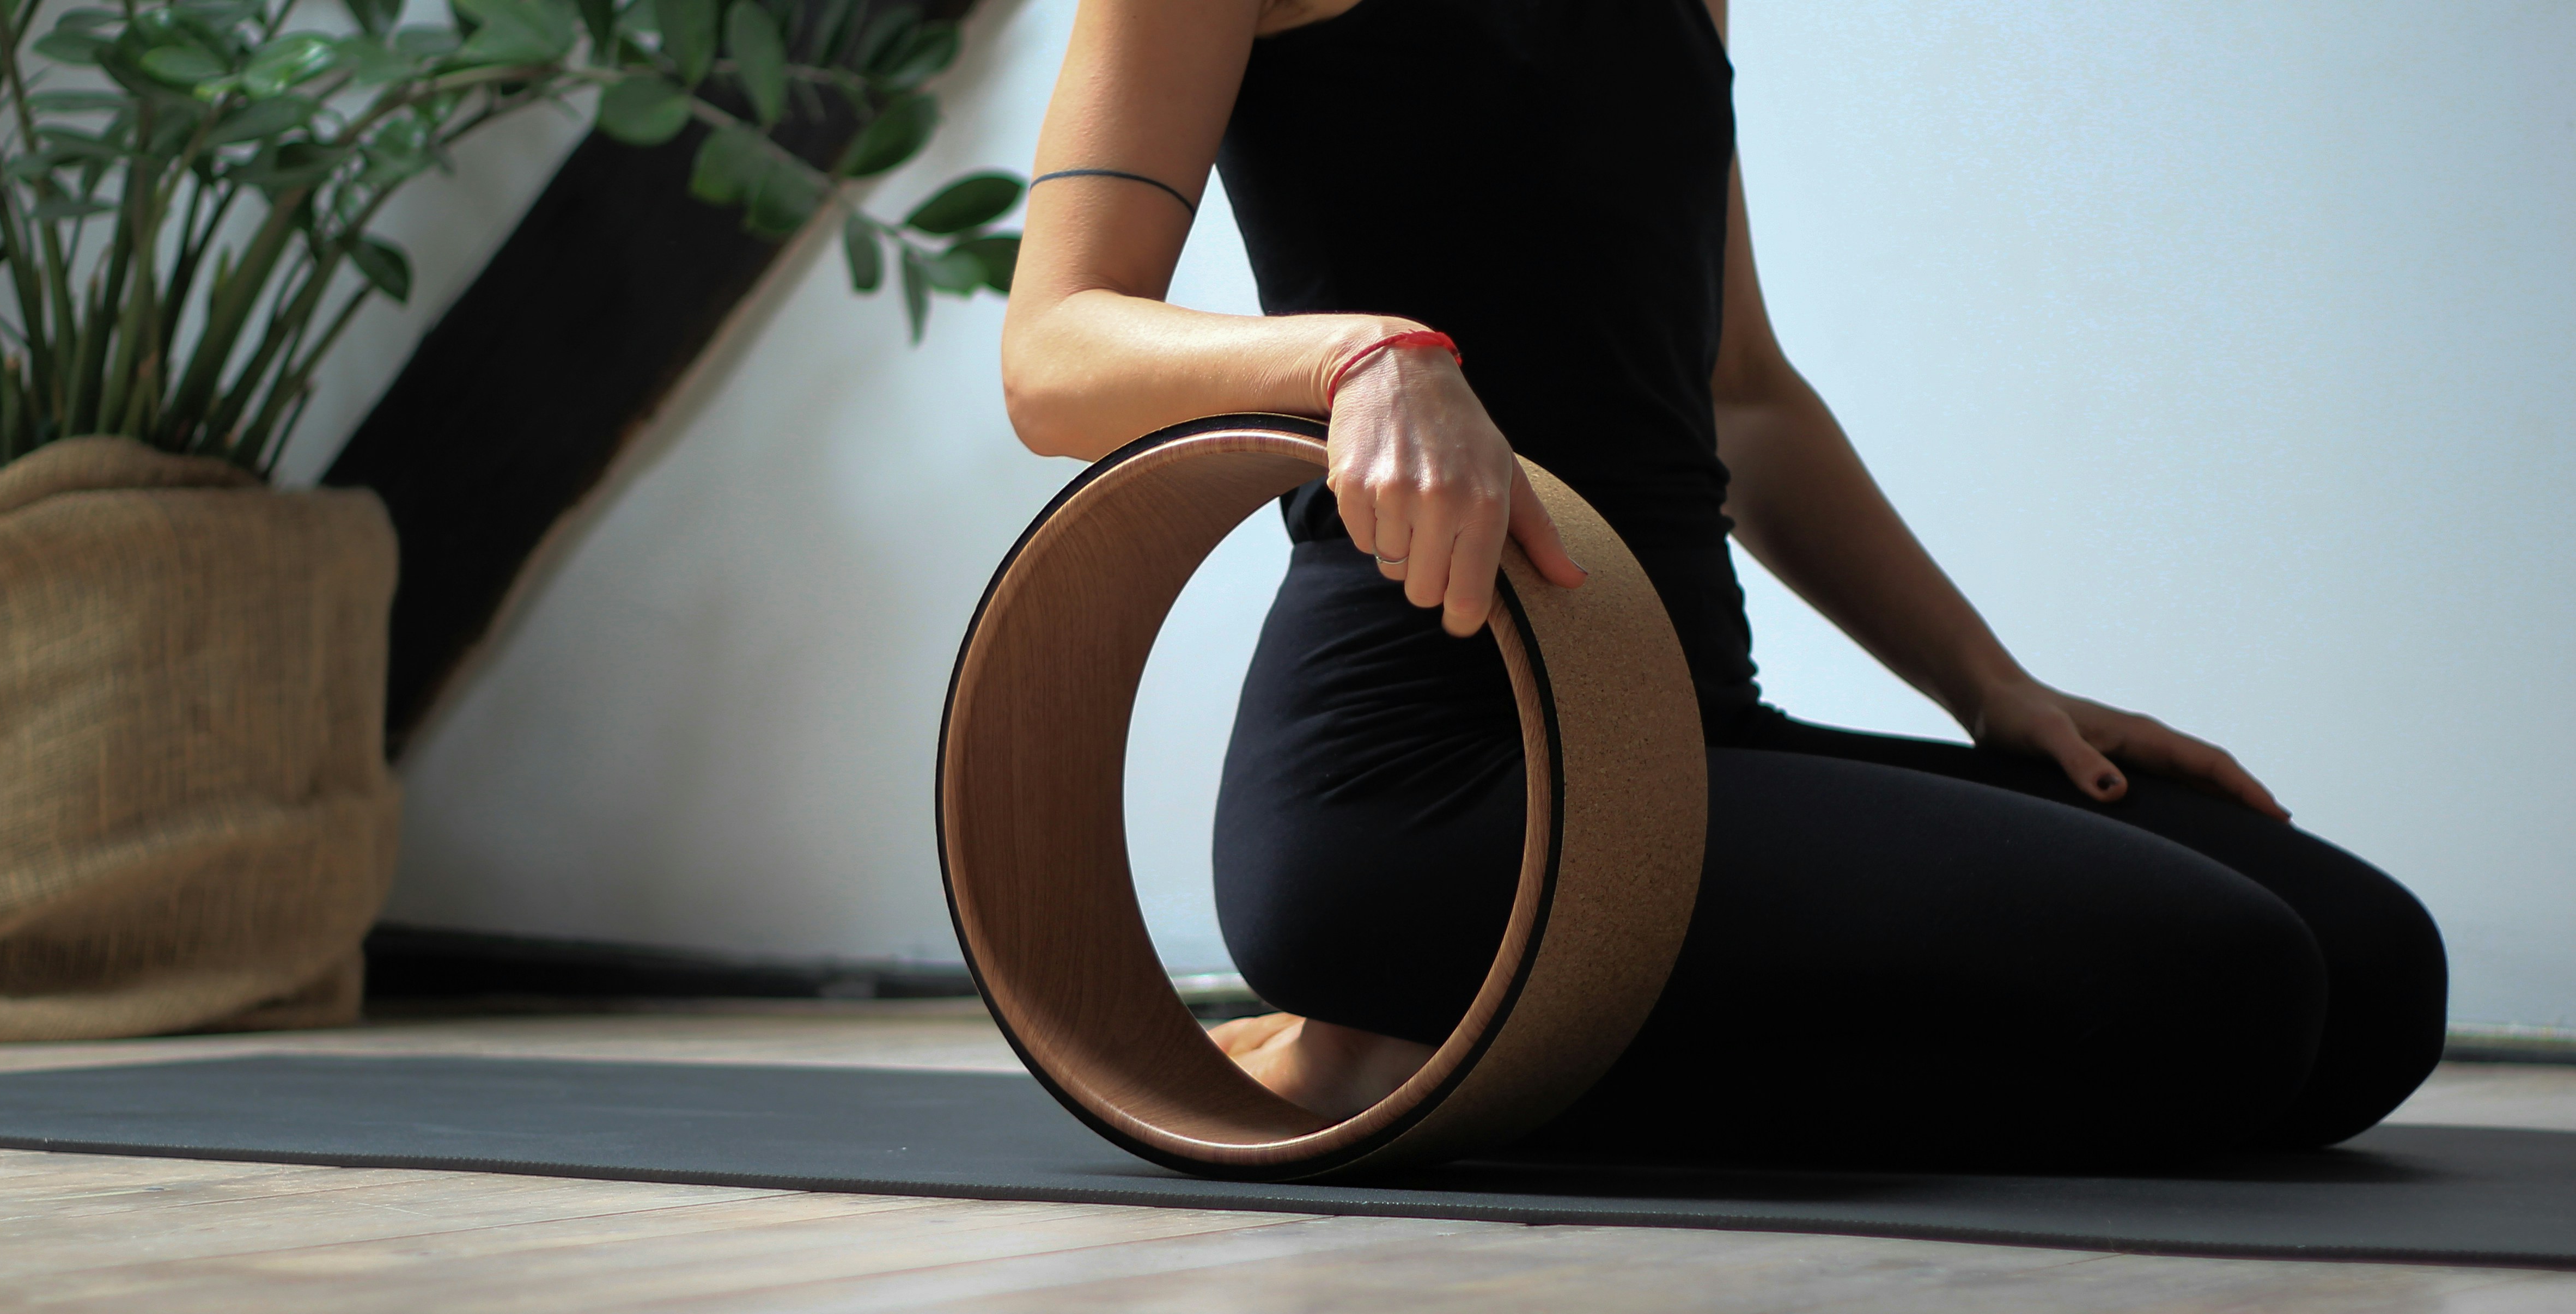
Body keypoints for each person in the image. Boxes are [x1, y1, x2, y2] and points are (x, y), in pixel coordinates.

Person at [998, 0, 2446, 1165]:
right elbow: (1054, 349)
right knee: (2236, 996)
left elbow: (1742, 397)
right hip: (1426, 783)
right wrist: (1357, 356)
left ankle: (1469, 1056)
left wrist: (1991, 685)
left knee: (2375, 980)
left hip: (1694, 734)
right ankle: (1411, 1066)